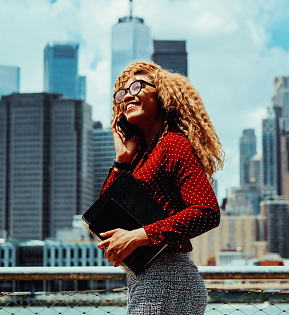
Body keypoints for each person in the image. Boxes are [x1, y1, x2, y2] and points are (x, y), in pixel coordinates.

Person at [96, 61, 225, 314]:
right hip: (143, 280)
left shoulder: (173, 144)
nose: (128, 95)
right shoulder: (141, 157)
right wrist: (121, 161)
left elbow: (207, 211)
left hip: (167, 278)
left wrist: (137, 236)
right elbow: (103, 216)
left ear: (162, 94)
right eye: (122, 93)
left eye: (137, 86)